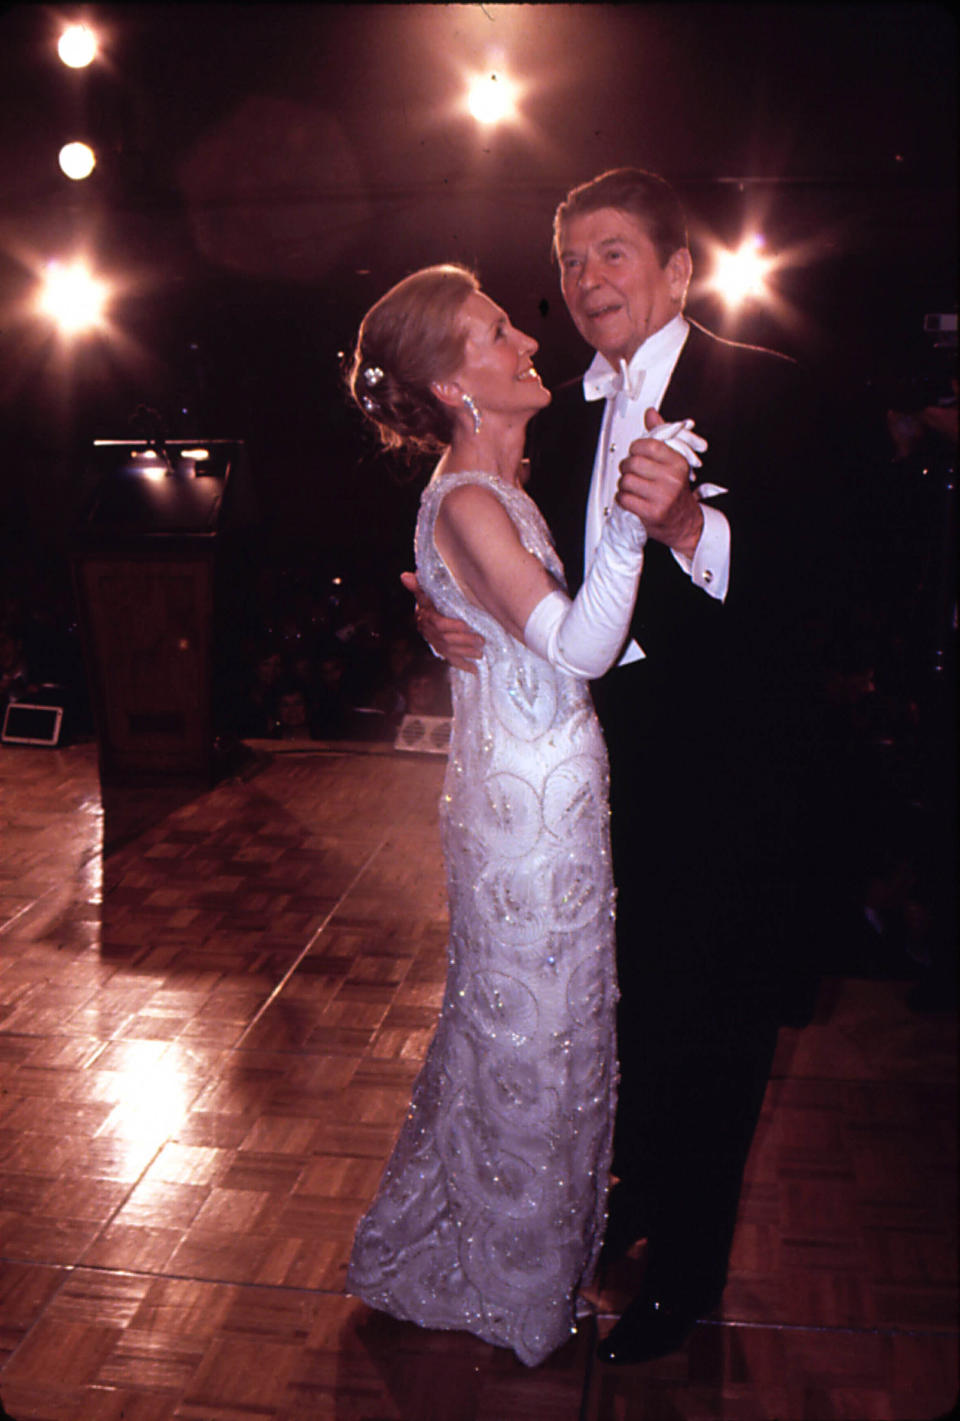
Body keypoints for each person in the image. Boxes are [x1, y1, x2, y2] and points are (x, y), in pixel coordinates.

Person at [406, 169, 829, 1365]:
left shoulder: (768, 389)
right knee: (624, 1009)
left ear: (679, 271)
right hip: (587, 777)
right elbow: (495, 558)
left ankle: (687, 1272)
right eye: (573, 261)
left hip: (730, 779)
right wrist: (445, 621)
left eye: (615, 254)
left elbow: (833, 590)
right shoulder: (555, 415)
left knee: (715, 1024)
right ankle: (630, 1199)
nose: (589, 281)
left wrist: (695, 527)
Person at [343, 263, 706, 1367]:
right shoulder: (465, 499)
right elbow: (581, 644)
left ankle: (507, 1246)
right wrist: (642, 517)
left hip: (550, 795)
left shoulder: (501, 496)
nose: (525, 342)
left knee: (540, 1031)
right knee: (529, 1040)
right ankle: (508, 1277)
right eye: (496, 333)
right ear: (456, 384)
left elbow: (541, 648)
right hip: (522, 823)